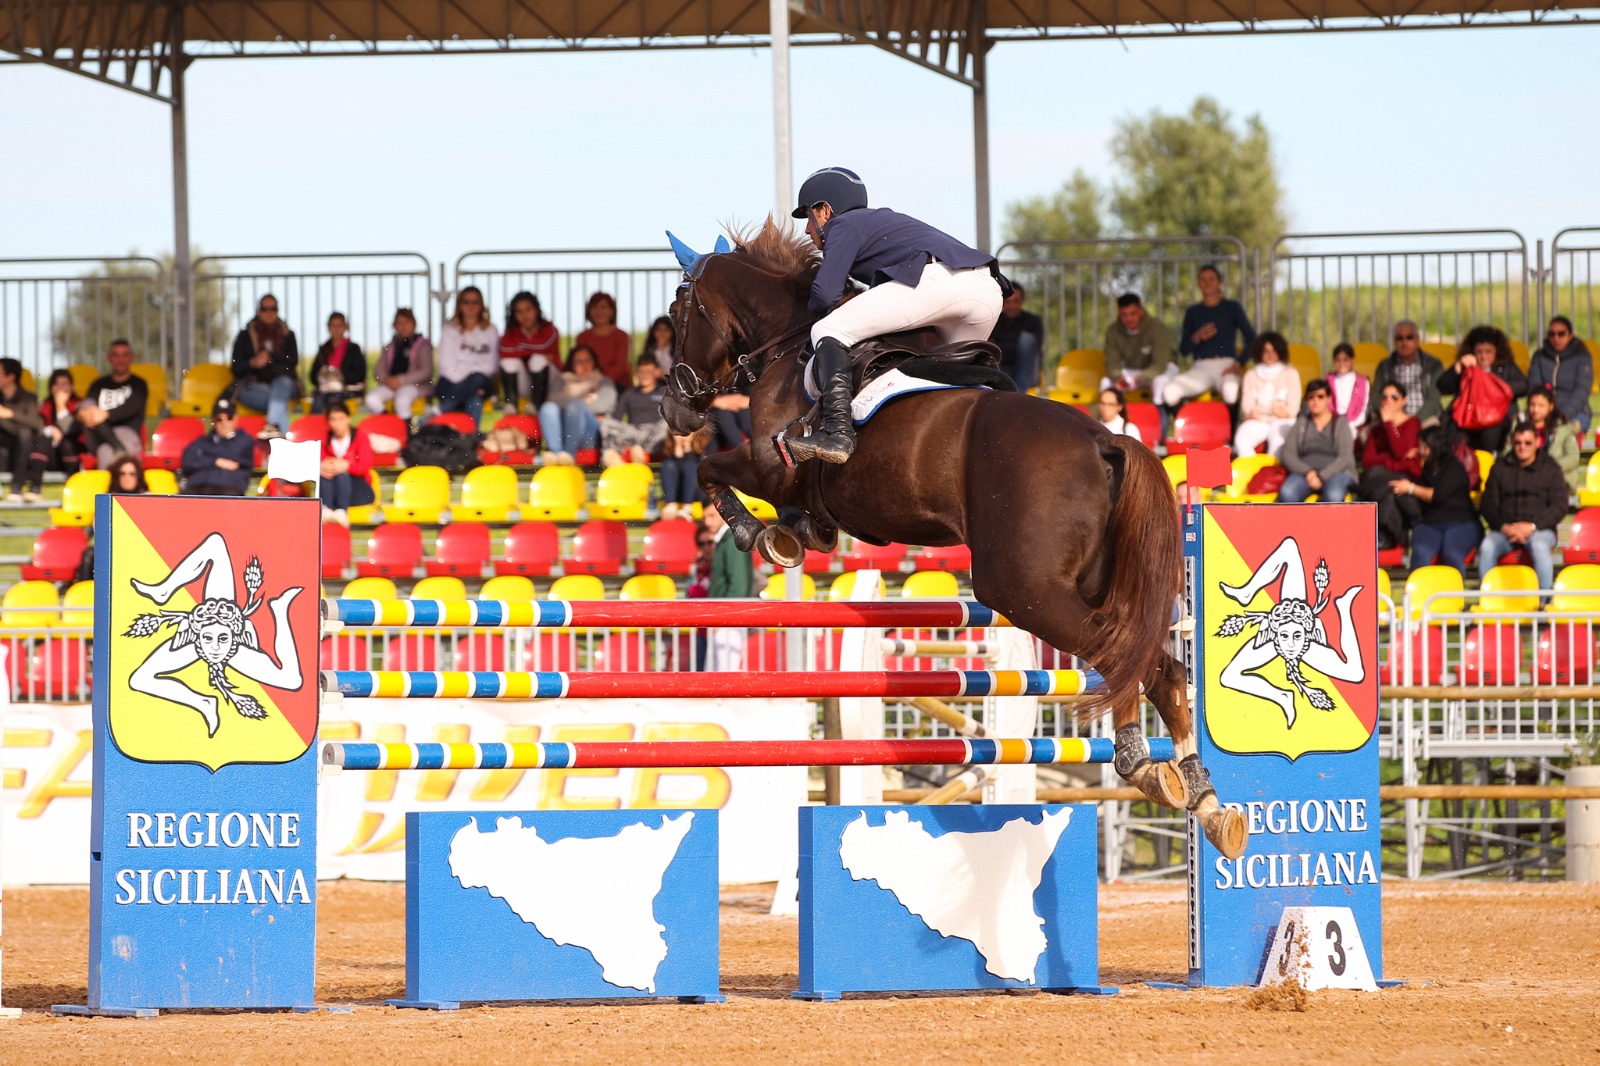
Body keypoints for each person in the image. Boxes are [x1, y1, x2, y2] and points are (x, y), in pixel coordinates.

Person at [789, 166, 1003, 465]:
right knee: (947, 384)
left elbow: (825, 295)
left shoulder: (845, 225)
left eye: (808, 218)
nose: (807, 230)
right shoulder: (876, 222)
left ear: (825, 210)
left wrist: (802, 318)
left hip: (940, 282)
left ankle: (837, 432)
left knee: (828, 329)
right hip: (987, 293)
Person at [1476, 422, 1568, 591]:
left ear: (1537, 442)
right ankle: (1486, 601)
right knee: (1487, 547)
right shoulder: (1499, 468)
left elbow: (1560, 505)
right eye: (1518, 443)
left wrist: (1533, 527)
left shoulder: (1551, 468)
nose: (1522, 447)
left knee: (1540, 547)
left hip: (1540, 530)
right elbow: (1488, 505)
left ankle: (1543, 603)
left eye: (1527, 443)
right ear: (1512, 442)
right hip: (1505, 531)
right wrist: (1504, 527)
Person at [1389, 426, 1480, 576]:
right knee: (1420, 553)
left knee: (1452, 553)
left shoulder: (1454, 467)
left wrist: (1410, 488)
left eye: (1424, 447)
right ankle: (1418, 597)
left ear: (1435, 447)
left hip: (1461, 522)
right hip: (1431, 523)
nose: (1421, 451)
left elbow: (1438, 495)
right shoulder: (1428, 468)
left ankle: (1455, 597)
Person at [1163, 264, 1255, 408]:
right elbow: (1184, 350)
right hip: (1200, 367)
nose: (1207, 283)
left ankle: (1229, 430)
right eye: (1203, 279)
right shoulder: (1193, 311)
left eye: (1211, 279)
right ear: (1199, 284)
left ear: (1219, 282)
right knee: (1169, 391)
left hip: (1226, 364)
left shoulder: (1232, 307)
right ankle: (1189, 426)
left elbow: (1252, 339)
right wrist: (1197, 337)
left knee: (1230, 391)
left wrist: (1238, 363)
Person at [1438, 324, 1527, 452]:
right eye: (1479, 352)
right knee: (1456, 434)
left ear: (1497, 351)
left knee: (1490, 432)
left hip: (1496, 417)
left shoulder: (1505, 367)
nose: (1484, 356)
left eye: (1488, 352)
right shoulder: (1467, 368)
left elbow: (1523, 386)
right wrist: (1458, 367)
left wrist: (1494, 386)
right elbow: (1443, 386)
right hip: (1468, 414)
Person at [1359, 382, 1425, 550]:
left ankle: (1387, 536)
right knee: (1380, 482)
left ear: (1404, 400)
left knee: (1383, 483)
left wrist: (1390, 425)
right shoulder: (1376, 430)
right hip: (1383, 478)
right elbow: (1368, 461)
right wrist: (1396, 460)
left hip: (1406, 476)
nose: (1389, 401)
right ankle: (1396, 537)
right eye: (1385, 397)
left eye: (1394, 397)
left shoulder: (1413, 423)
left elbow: (1401, 451)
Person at [229, 294, 300, 439]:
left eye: (273, 308)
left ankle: (272, 426)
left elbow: (292, 362)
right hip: (253, 386)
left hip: (284, 384)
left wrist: (272, 357)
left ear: (278, 311)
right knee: (279, 402)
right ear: (258, 311)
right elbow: (236, 368)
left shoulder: (288, 335)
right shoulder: (245, 336)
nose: (269, 312)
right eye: (265, 308)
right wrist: (253, 363)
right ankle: (281, 445)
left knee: (282, 383)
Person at [1277, 379, 1355, 504]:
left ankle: (1331, 524)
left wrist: (1322, 476)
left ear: (1329, 399)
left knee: (1333, 495)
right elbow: (1288, 454)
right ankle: (1294, 524)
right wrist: (1308, 472)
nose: (1315, 400)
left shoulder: (1340, 423)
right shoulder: (1301, 423)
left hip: (1337, 473)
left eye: (1320, 396)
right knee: (1287, 492)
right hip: (1305, 474)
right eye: (1311, 397)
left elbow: (1345, 457)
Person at [538, 345, 616, 464]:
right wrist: (581, 403)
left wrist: (575, 404)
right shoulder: (562, 380)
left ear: (594, 362)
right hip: (563, 430)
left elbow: (604, 405)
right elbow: (553, 399)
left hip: (590, 433)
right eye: (579, 361)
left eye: (588, 360)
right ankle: (555, 455)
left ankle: (569, 456)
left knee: (574, 408)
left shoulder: (603, 382)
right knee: (548, 408)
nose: (584, 365)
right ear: (571, 364)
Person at [434, 286, 500, 425]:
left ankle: (439, 412)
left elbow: (492, 364)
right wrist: (468, 386)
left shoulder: (491, 330)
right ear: (459, 304)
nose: (470, 306)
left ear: (481, 305)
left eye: (475, 302)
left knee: (478, 377)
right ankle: (470, 442)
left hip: (482, 381)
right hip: (451, 383)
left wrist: (473, 381)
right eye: (466, 302)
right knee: (474, 400)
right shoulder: (449, 329)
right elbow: (447, 364)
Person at [79, 339, 149, 467]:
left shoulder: (139, 385)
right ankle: (119, 448)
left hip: (126, 433)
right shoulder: (98, 385)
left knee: (106, 452)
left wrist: (104, 414)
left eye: (124, 355)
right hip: (98, 435)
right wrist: (87, 413)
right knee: (85, 405)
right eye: (116, 355)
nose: (120, 359)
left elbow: (129, 410)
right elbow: (88, 410)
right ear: (109, 358)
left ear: (131, 358)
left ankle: (118, 452)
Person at [1233, 332, 1301, 456]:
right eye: (1266, 351)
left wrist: (1275, 412)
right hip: (1258, 421)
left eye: (1274, 351)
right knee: (1241, 440)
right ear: (1259, 352)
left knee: (1277, 444)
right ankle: (1253, 472)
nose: (1270, 355)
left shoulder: (1291, 373)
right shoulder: (1251, 375)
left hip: (1282, 422)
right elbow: (1247, 407)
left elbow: (1292, 410)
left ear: (1280, 352)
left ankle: (1272, 473)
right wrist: (1266, 412)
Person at [1102, 292, 1177, 401]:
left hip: (1163, 369)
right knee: (1105, 383)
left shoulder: (1156, 327)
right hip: (1134, 372)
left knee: (1160, 383)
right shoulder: (1113, 331)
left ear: (1141, 311)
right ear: (1119, 313)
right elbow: (1112, 364)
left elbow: (1160, 364)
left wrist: (1140, 378)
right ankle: (1106, 417)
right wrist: (1119, 377)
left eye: (1133, 313)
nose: (1129, 319)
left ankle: (1160, 416)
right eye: (1124, 314)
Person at [1368, 320, 1444, 426]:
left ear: (1417, 339)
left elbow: (1433, 400)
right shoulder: (1384, 366)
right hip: (1391, 419)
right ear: (1395, 341)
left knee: (1435, 436)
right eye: (1400, 338)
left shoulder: (1433, 365)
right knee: (1365, 435)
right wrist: (1392, 416)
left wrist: (1412, 422)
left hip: (1424, 419)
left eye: (1409, 337)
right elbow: (1376, 398)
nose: (1404, 342)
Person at [705, 503, 753, 669]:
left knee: (727, 672)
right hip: (727, 615)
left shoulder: (731, 540)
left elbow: (739, 584)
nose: (707, 522)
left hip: (728, 617)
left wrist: (723, 617)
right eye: (705, 517)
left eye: (711, 516)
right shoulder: (727, 540)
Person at [1527, 315, 1594, 432]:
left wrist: (1562, 415)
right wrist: (1544, 410)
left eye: (1561, 334)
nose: (1556, 338)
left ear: (1570, 335)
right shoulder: (1539, 356)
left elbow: (1582, 391)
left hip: (1575, 411)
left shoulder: (1582, 357)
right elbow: (1535, 386)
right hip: (1543, 410)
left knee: (1565, 431)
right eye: (1552, 334)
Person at [498, 292, 562, 411]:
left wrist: (518, 347)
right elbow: (503, 351)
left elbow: (543, 346)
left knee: (537, 359)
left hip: (552, 383)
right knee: (508, 362)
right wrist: (532, 350)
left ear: (537, 310)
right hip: (529, 383)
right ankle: (511, 405)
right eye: (519, 311)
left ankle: (536, 407)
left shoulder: (550, 330)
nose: (525, 315)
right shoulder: (512, 333)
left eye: (528, 309)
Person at [600, 354, 668, 466]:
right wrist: (603, 420)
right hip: (632, 432)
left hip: (654, 433)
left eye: (649, 371)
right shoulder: (629, 393)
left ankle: (644, 455)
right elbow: (616, 419)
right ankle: (614, 458)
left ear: (656, 372)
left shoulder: (664, 392)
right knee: (607, 423)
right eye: (641, 371)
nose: (645, 375)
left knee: (666, 424)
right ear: (637, 373)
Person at [179, 397, 255, 496]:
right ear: (213, 421)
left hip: (228, 492)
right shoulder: (203, 441)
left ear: (236, 419)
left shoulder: (245, 440)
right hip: (196, 490)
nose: (224, 423)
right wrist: (216, 461)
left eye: (229, 417)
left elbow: (233, 453)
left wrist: (203, 456)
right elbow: (187, 461)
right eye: (219, 419)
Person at [365, 308, 434, 417]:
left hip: (414, 386)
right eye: (399, 323)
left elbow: (426, 371)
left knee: (402, 401)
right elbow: (378, 370)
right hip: (391, 385)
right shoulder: (391, 346)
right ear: (394, 326)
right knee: (371, 399)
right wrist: (387, 379)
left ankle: (406, 431)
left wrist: (401, 380)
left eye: (406, 322)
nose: (403, 326)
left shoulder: (423, 345)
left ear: (414, 324)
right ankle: (388, 423)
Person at [318, 400, 374, 526]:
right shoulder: (324, 438)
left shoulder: (360, 436)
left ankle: (341, 510)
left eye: (341, 419)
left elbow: (365, 466)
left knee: (341, 474)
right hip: (331, 488)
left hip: (358, 488)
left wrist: (347, 466)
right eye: (333, 419)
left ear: (348, 419)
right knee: (325, 474)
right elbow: (319, 461)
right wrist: (320, 467)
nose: (337, 424)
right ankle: (326, 510)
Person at [0, 358, 43, 502]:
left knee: (25, 433)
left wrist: (9, 414)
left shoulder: (28, 397)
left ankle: (17, 487)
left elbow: (36, 424)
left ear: (11, 377)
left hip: (20, 456)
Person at [32, 368, 84, 486]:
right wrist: (51, 430)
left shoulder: (79, 404)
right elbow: (37, 428)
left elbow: (72, 428)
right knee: (42, 440)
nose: (60, 388)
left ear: (71, 387)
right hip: (51, 456)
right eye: (57, 384)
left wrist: (60, 405)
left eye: (64, 384)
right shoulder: (45, 405)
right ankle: (35, 487)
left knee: (66, 443)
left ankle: (74, 486)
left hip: (73, 456)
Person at [1524, 385, 1580, 493]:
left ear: (1551, 406)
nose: (1535, 410)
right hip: (1525, 477)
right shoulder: (1519, 426)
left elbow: (1573, 457)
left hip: (1557, 479)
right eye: (1532, 405)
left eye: (1541, 406)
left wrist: (1548, 468)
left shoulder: (1564, 428)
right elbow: (1509, 451)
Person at [307, 311, 366, 414]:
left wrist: (339, 377)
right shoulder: (323, 349)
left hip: (346, 390)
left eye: (340, 325)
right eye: (333, 325)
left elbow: (360, 373)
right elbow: (313, 376)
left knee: (334, 403)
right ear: (329, 328)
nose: (337, 329)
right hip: (325, 390)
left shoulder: (353, 348)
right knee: (318, 403)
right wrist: (324, 378)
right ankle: (317, 428)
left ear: (345, 327)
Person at [990, 283, 1044, 393]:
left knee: (1027, 340)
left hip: (1026, 371)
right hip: (1002, 368)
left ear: (1022, 300)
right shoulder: (994, 321)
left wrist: (1004, 347)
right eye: (1008, 301)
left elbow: (1033, 349)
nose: (1011, 306)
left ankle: (1019, 393)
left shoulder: (1033, 321)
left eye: (1016, 301)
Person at [577, 291, 632, 391]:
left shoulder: (621, 336)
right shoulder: (582, 337)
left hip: (617, 385)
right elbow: (579, 364)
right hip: (588, 385)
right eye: (595, 308)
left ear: (612, 311)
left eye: (603, 307)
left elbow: (620, 367)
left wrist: (601, 381)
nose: (599, 312)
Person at [660, 428, 710, 520]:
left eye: (686, 434)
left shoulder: (704, 446)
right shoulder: (668, 448)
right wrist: (678, 449)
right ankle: (671, 506)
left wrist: (688, 451)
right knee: (668, 465)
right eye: (678, 434)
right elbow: (672, 471)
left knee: (690, 466)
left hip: (697, 490)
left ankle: (687, 509)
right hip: (677, 492)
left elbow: (698, 467)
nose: (682, 437)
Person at [1326, 343, 1369, 433]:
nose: (1341, 364)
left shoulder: (1362, 382)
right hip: (1331, 424)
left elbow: (1363, 410)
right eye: (1338, 360)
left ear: (1353, 360)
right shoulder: (1328, 380)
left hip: (1354, 426)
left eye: (1345, 360)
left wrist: (1348, 426)